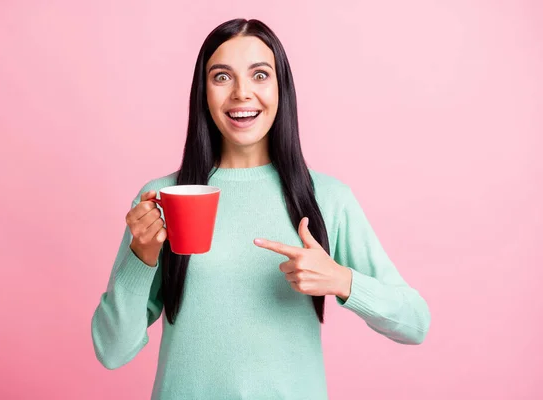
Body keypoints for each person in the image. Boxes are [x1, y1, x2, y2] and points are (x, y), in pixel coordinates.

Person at [91, 18, 430, 399]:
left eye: (260, 75)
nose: (241, 93)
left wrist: (342, 280)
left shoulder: (328, 198)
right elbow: (112, 350)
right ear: (202, 92)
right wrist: (142, 256)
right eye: (222, 77)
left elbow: (415, 323)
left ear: (281, 88)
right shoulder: (161, 199)